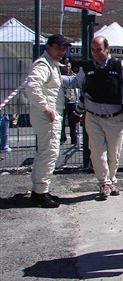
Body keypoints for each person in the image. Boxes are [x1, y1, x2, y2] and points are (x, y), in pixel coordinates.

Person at [74, 36, 123, 200]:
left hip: (115, 117)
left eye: (99, 49)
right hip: (93, 116)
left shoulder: (118, 66)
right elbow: (75, 82)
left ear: (107, 49)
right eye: (93, 50)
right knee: (96, 151)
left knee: (113, 153)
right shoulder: (87, 67)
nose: (95, 53)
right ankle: (103, 182)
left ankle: (112, 180)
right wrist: (54, 77)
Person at [24, 34, 77, 208]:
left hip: (51, 114)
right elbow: (32, 86)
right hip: (47, 116)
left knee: (46, 152)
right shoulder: (43, 65)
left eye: (64, 48)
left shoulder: (51, 65)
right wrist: (45, 107)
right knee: (49, 153)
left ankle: (40, 189)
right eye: (59, 47)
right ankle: (40, 192)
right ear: (49, 47)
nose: (62, 51)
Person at [59, 59, 80, 147]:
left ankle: (74, 138)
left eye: (68, 66)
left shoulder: (74, 76)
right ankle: (62, 138)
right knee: (62, 121)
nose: (67, 68)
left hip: (72, 100)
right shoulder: (60, 76)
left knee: (73, 121)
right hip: (63, 101)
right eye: (66, 66)